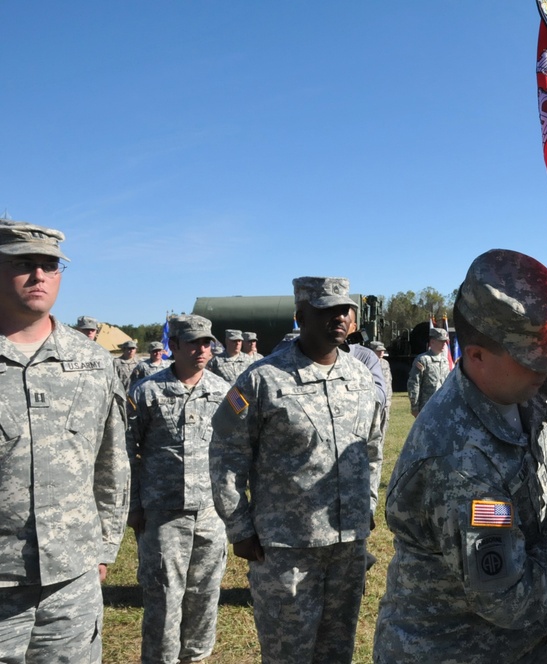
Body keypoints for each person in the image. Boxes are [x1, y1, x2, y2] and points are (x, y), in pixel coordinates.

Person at [373, 249, 547, 664]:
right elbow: (511, 600)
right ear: (476, 356)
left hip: (529, 644)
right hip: (458, 650)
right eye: (534, 360)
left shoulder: (519, 383)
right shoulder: (459, 461)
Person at [210, 276, 382, 664]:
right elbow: (226, 453)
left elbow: (372, 448)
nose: (339, 317)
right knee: (289, 652)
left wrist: (367, 504)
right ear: (300, 315)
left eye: (344, 309)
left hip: (347, 543)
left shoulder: (359, 376)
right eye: (326, 310)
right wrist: (239, 527)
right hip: (287, 547)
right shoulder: (262, 379)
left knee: (338, 649)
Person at [0, 220, 129, 662]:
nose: (39, 276)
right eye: (23, 264)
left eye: (50, 265)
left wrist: (105, 547)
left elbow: (112, 462)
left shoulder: (91, 361)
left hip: (72, 581)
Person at [126, 314, 229, 664]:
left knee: (204, 592)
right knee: (163, 596)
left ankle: (196, 657)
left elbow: (236, 448)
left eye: (207, 342)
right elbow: (127, 451)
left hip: (211, 512)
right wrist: (134, 506)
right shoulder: (147, 391)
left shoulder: (223, 391)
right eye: (194, 342)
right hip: (162, 513)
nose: (202, 349)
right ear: (173, 346)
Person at [406, 326, 450, 416]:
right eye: (441, 341)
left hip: (443, 406)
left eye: (444, 342)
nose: (444, 344)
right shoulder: (423, 360)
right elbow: (414, 384)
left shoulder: (445, 361)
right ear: (432, 342)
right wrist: (414, 406)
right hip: (427, 407)